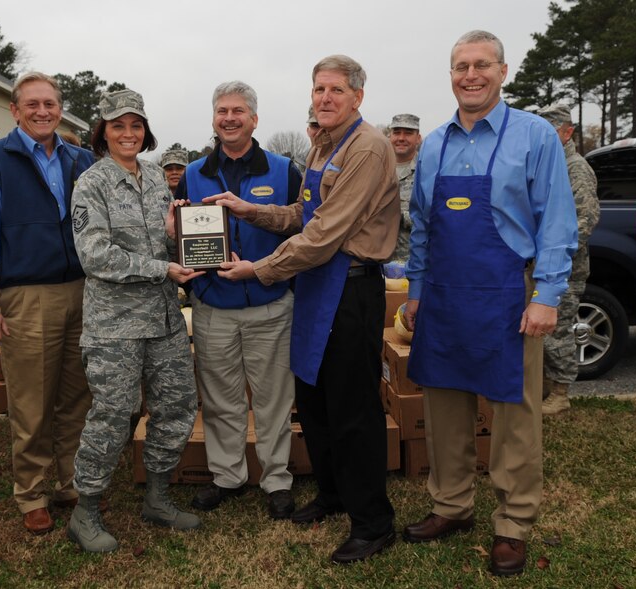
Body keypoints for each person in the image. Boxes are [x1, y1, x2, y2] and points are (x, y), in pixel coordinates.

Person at [205, 55, 400, 564]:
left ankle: (373, 522)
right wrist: (250, 210)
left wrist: (259, 269)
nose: (325, 98)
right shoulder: (322, 144)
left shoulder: (367, 148)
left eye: (336, 90)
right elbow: (303, 214)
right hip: (314, 285)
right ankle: (333, 494)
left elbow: (324, 234)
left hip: (349, 287)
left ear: (357, 96)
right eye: (319, 89)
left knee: (353, 407)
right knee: (315, 400)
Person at [402, 31, 577, 577]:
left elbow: (556, 221)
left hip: (509, 294)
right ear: (451, 75)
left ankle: (513, 522)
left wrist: (546, 295)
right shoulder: (434, 143)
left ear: (503, 71)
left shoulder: (534, 135)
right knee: (444, 406)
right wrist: (415, 292)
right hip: (443, 295)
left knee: (514, 414)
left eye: (481, 65)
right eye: (461, 66)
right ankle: (451, 506)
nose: (470, 75)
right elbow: (423, 226)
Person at [67, 89, 202, 553]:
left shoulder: (157, 177)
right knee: (113, 415)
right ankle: (85, 510)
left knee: (177, 405)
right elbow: (95, 255)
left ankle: (157, 498)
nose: (128, 133)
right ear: (103, 132)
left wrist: (176, 237)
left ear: (146, 131)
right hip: (115, 326)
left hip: (163, 319)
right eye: (118, 126)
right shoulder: (92, 183)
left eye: (136, 125)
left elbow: (165, 244)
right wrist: (162, 267)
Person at [0, 72, 94, 535]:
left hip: (84, 291)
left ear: (60, 109)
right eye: (32, 104)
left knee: (77, 395)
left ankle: (70, 481)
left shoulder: (81, 159)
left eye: (50, 104)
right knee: (32, 400)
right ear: (15, 110)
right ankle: (32, 492)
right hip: (27, 295)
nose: (43, 112)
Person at [173, 81, 301, 520]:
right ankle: (227, 475)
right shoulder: (193, 173)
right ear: (214, 119)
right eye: (222, 111)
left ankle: (276, 479)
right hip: (214, 307)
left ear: (254, 119)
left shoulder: (284, 170)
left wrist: (271, 273)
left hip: (271, 304)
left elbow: (302, 230)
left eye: (238, 111)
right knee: (220, 398)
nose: (229, 118)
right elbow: (178, 235)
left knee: (273, 399)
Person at [536, 104, 600, 415]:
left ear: (567, 132)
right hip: (540, 267)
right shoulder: (545, 165)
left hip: (565, 269)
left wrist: (555, 255)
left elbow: (585, 220)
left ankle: (560, 394)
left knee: (557, 331)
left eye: (551, 131)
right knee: (540, 332)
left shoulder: (575, 168)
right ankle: (545, 386)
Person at [388, 113, 422, 261]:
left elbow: (432, 217)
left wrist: (395, 215)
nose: (401, 138)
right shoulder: (377, 168)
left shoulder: (427, 171)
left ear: (418, 138)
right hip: (377, 261)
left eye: (408, 133)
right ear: (390, 136)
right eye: (396, 133)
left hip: (413, 261)